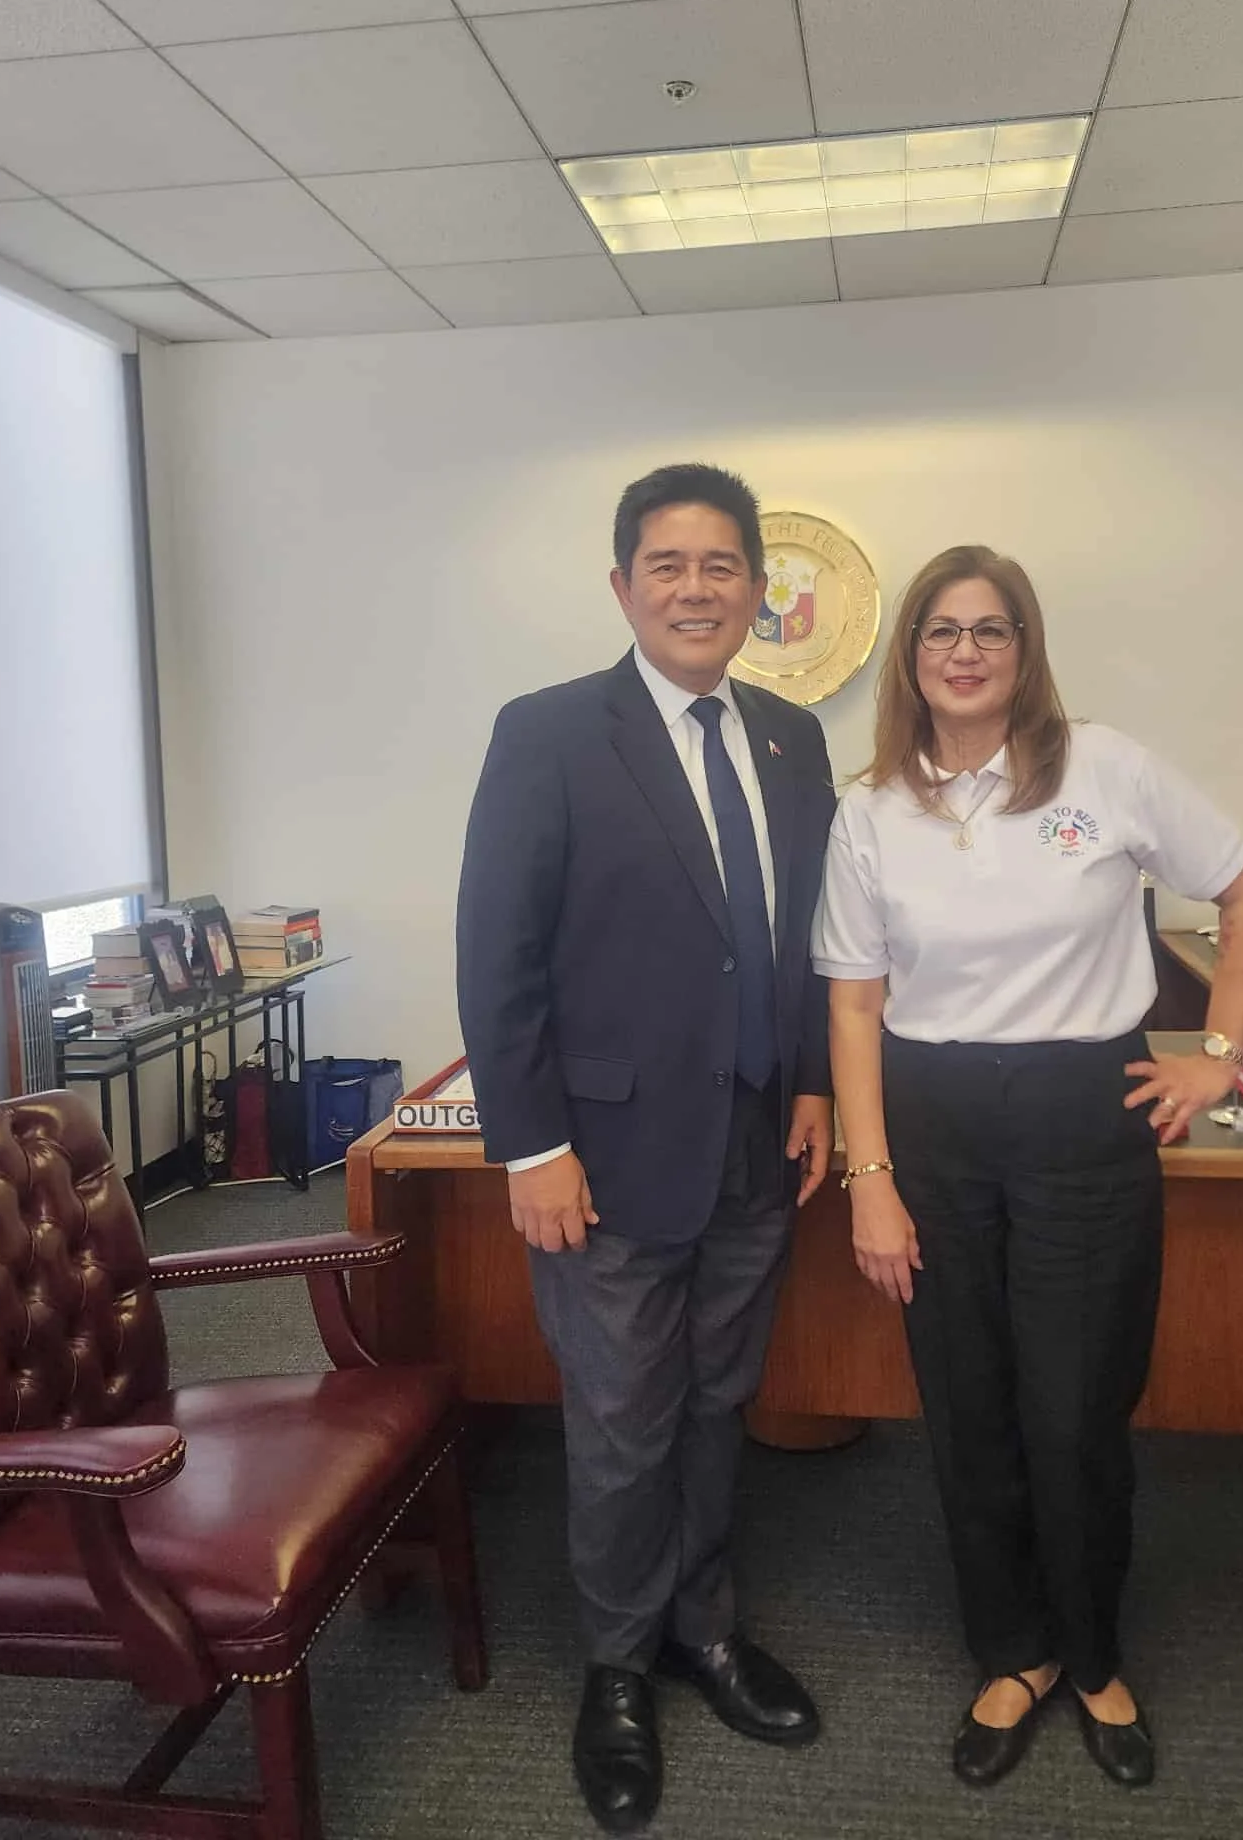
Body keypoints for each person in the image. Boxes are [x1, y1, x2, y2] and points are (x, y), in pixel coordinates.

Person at [814, 544, 1243, 1792]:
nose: (965, 651)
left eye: (992, 628)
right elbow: (853, 1005)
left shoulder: (1105, 767)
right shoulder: (871, 810)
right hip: (935, 1123)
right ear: (912, 655)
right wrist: (870, 1175)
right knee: (968, 1409)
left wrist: (1219, 1054)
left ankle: (1092, 1649)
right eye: (942, 630)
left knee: (1075, 1411)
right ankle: (1012, 1650)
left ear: (1025, 649)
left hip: (1084, 1118)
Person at [456, 463, 836, 1834]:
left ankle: (703, 1626)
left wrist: (812, 1083)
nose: (695, 587)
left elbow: (804, 937)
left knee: (720, 1399)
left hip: (755, 1139)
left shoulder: (792, 738)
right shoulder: (551, 731)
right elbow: (496, 954)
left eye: (721, 564)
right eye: (667, 564)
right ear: (623, 586)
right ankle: (618, 1666)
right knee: (622, 1423)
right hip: (604, 1155)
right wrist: (530, 1146)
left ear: (758, 591)